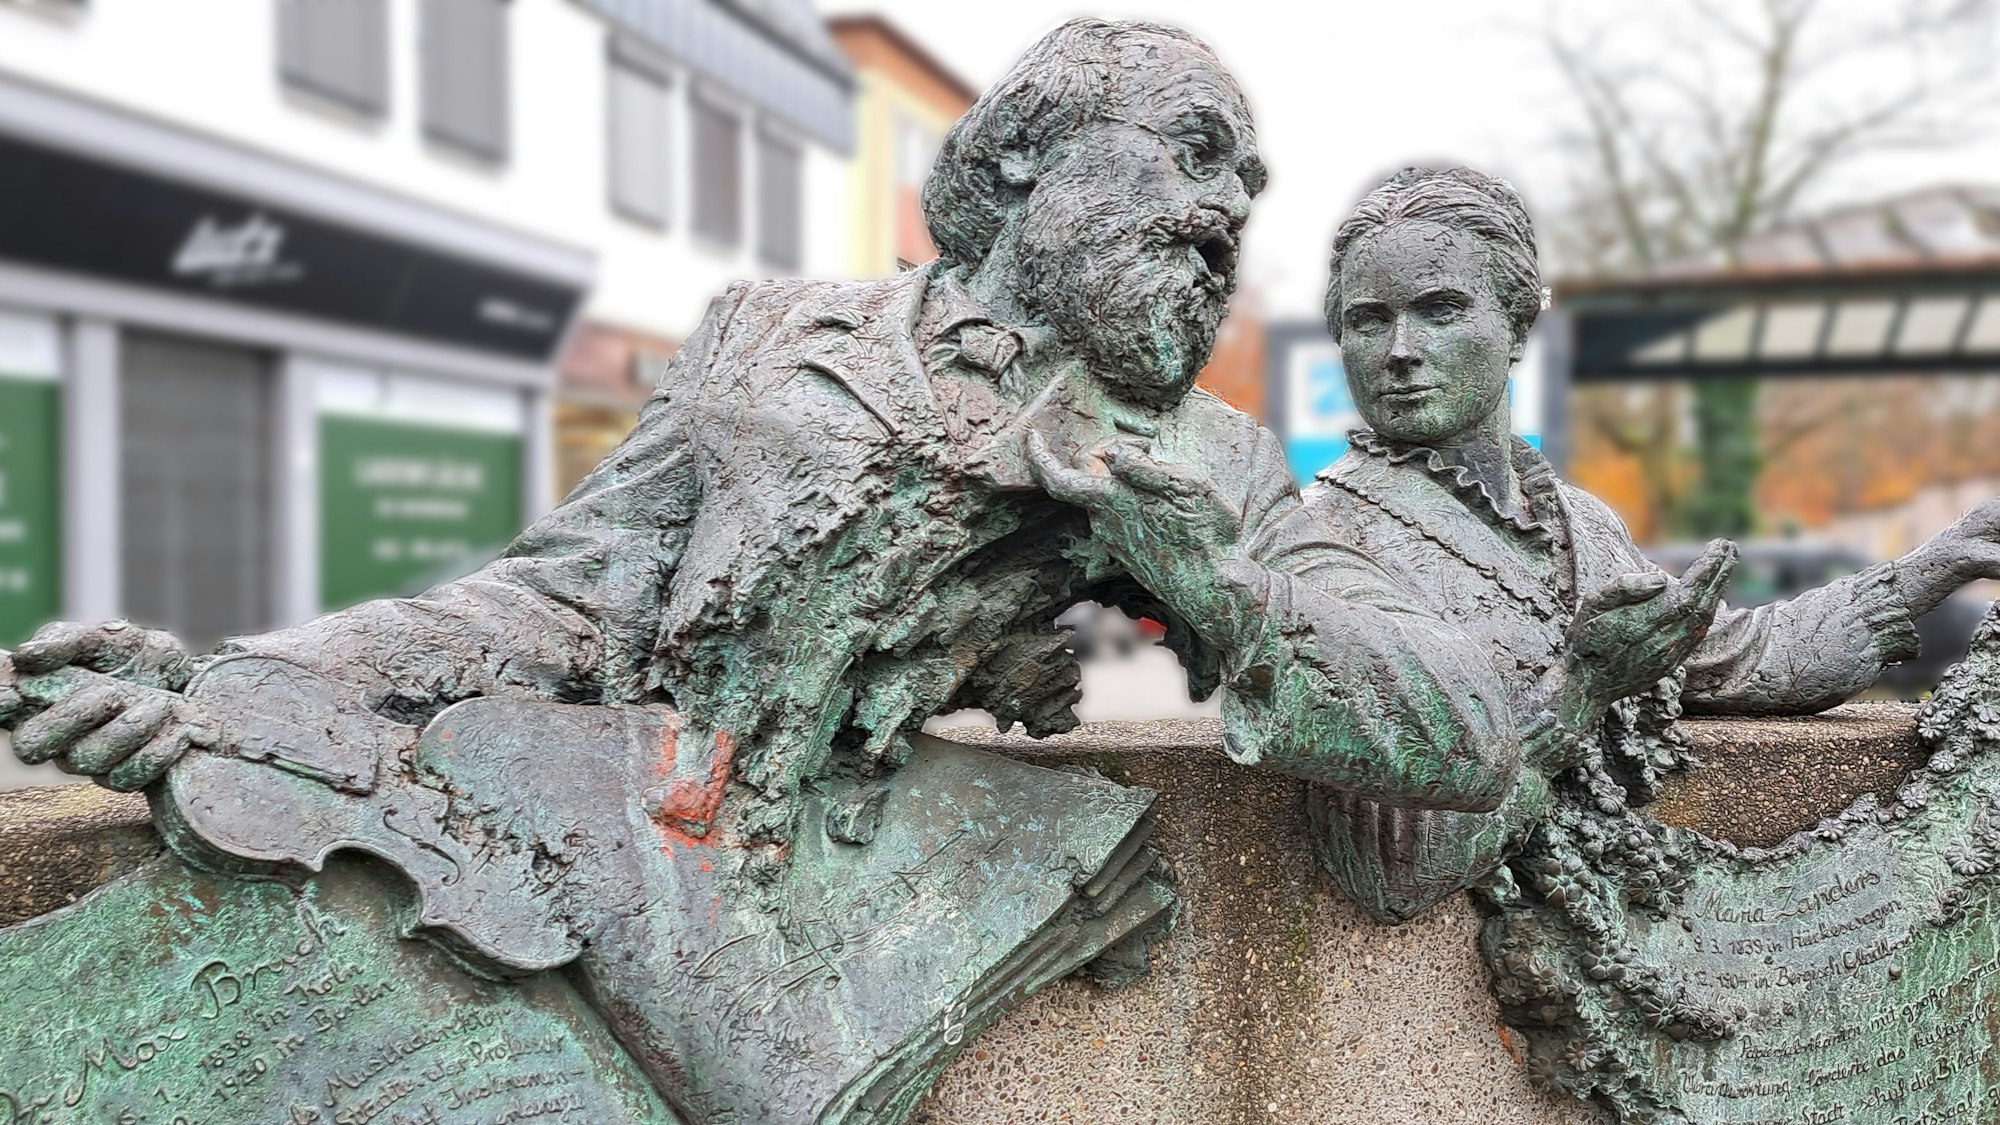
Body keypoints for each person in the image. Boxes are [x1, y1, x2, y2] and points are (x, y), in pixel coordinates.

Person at [0, 24, 1553, 1119]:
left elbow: (1458, 728)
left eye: (1248, 190)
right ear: (1019, 166)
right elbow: (557, 596)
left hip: (812, 900)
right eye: (1196, 157)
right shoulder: (766, 340)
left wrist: (1204, 578)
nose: (1227, 214)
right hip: (596, 814)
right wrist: (241, 680)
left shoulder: (1203, 458)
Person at [1288, 167, 2000, 922]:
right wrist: (1581, 689)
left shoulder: (1583, 523)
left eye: (1439, 310)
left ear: (1519, 326)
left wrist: (1945, 559)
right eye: (1368, 321)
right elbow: (1395, 871)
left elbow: (1743, 661)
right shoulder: (1317, 543)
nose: (1400, 349)